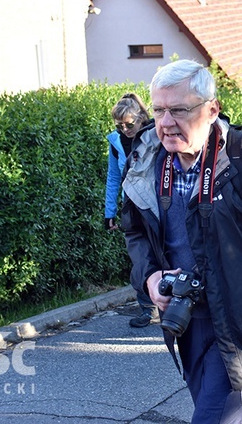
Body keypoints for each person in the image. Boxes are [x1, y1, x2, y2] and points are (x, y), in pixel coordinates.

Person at [121, 60, 242, 424]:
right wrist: (149, 276)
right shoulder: (147, 159)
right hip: (183, 315)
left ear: (212, 109)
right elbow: (134, 230)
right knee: (226, 415)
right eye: (159, 109)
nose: (165, 122)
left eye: (179, 110)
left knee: (211, 418)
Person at [104, 93, 158, 328]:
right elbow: (113, 178)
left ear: (141, 118)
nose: (124, 129)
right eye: (119, 125)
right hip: (131, 207)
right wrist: (109, 212)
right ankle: (148, 309)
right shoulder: (116, 143)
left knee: (164, 253)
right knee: (140, 258)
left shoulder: (155, 136)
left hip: (157, 205)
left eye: (129, 124)